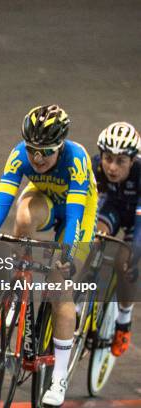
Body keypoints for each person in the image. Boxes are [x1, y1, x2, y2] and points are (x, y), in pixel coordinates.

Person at [0, 105, 98, 406]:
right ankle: (19, 282)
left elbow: (73, 218)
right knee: (22, 214)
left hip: (77, 212)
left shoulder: (77, 159)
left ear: (60, 146)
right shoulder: (19, 155)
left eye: (46, 151)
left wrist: (67, 256)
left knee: (60, 287)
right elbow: (1, 201)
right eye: (33, 150)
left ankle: (58, 377)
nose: (38, 158)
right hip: (45, 199)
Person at [93, 121, 140, 357]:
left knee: (125, 261)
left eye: (120, 161)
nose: (112, 167)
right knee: (92, 242)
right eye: (108, 158)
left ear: (133, 161)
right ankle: (80, 303)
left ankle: (124, 320)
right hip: (112, 207)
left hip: (137, 215)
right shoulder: (94, 167)